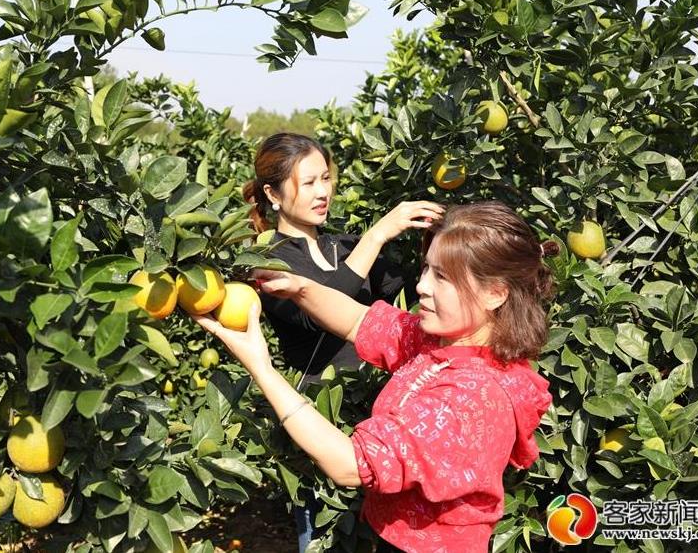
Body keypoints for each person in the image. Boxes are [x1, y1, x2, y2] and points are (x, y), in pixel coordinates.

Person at [192, 201, 557, 553]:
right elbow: (358, 321)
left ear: (495, 293)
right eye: (427, 269)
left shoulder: (473, 396)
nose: (422, 286)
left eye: (442, 277)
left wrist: (261, 368)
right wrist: (298, 286)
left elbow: (350, 464)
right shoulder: (441, 342)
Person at [241, 133, 443, 551]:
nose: (322, 192)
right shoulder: (266, 260)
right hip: (321, 420)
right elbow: (316, 310)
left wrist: (438, 242)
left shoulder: (345, 246)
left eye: (326, 179)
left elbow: (412, 292)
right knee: (326, 538)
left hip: (380, 418)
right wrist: (377, 235)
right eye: (309, 182)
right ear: (272, 194)